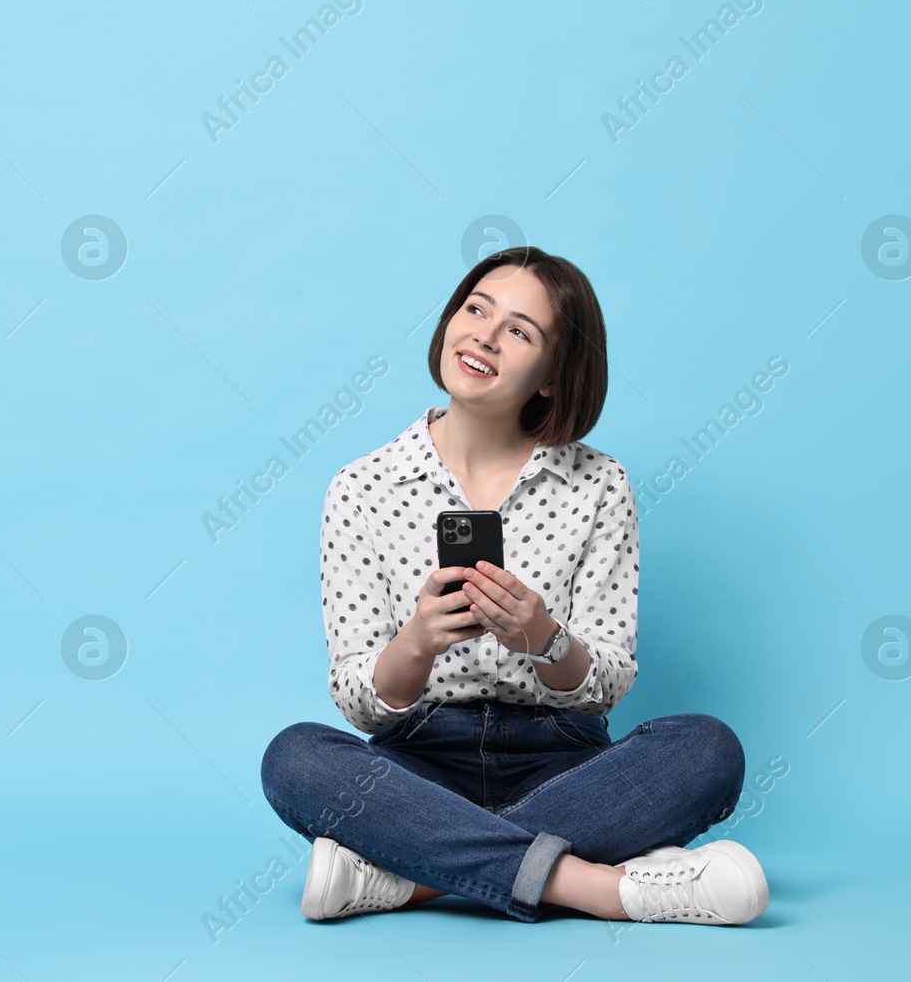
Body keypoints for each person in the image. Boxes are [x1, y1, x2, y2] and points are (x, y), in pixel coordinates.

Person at [259, 246, 769, 926]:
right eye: (476, 309)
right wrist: (416, 642)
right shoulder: (362, 487)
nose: (485, 335)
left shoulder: (598, 485)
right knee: (293, 756)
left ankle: (414, 877)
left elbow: (609, 681)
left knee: (709, 748)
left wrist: (545, 638)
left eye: (520, 331)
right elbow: (359, 702)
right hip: (419, 767)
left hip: (564, 764)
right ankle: (602, 888)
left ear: (553, 377)